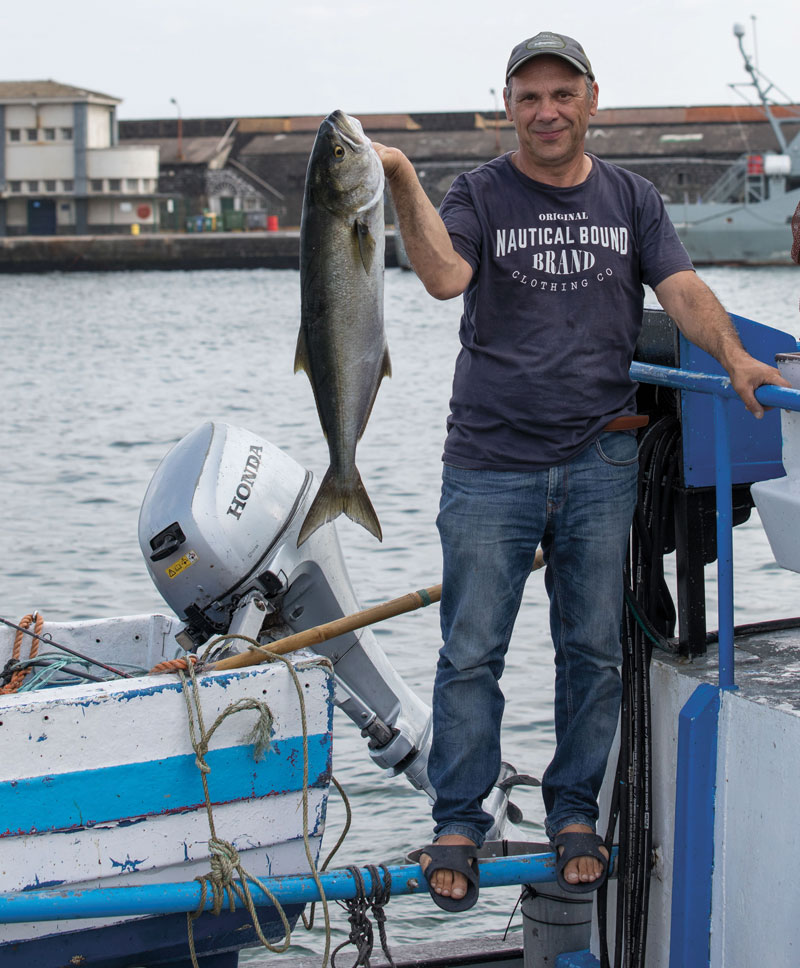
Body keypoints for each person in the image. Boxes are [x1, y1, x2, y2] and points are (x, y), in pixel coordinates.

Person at [374, 30, 789, 907]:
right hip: (490, 462)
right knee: (471, 651)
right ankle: (458, 819)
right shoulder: (477, 192)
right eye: (529, 97)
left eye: (562, 95)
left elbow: (678, 288)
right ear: (509, 107)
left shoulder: (631, 197)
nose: (547, 112)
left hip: (603, 456)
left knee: (592, 652)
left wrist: (733, 359)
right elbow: (445, 278)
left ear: (591, 101)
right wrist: (403, 180)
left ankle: (572, 813)